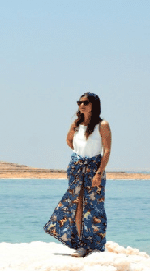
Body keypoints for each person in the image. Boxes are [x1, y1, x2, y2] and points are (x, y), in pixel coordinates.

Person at [44, 92, 111, 257]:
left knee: (94, 207)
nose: (81, 105)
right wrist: (78, 154)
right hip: (76, 168)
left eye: (85, 102)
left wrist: (98, 173)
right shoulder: (76, 124)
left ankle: (94, 244)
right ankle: (81, 244)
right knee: (76, 204)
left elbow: (107, 150)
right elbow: (69, 141)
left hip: (94, 168)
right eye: (79, 102)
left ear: (93, 105)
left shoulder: (102, 125)